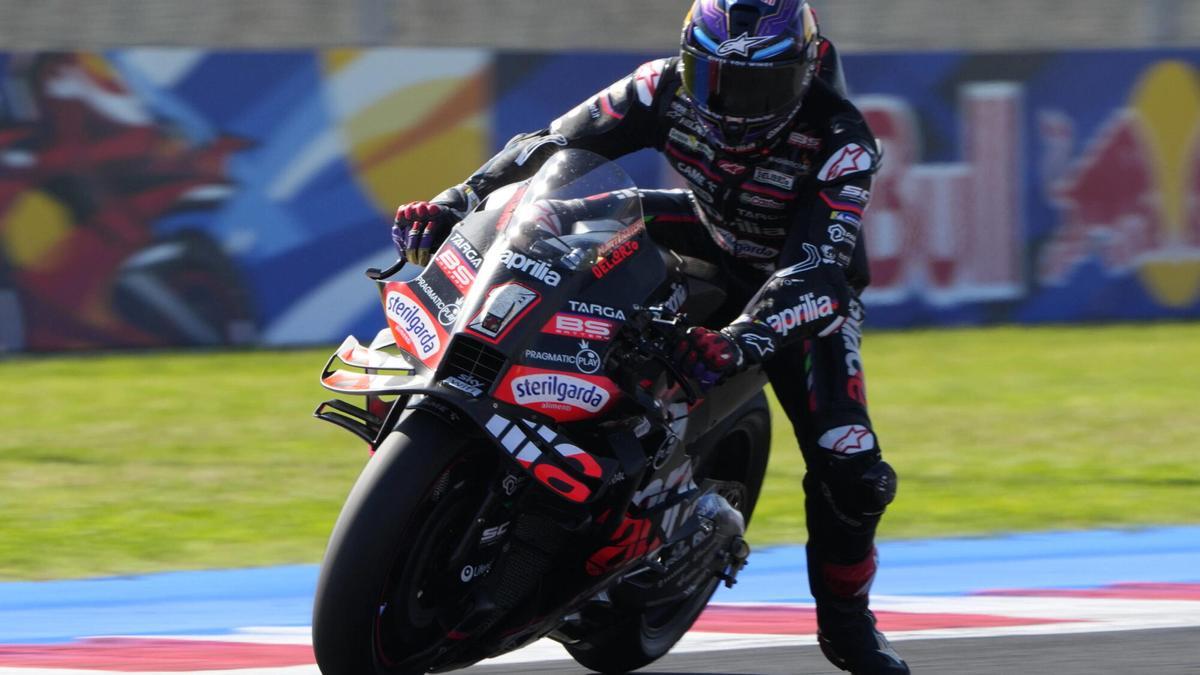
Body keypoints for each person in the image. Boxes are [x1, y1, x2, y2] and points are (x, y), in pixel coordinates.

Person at [391, 1, 908, 672]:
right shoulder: (656, 86)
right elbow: (551, 146)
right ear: (688, 65)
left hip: (795, 284)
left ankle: (847, 624)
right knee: (555, 223)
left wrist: (741, 337)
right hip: (704, 230)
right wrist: (457, 201)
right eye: (713, 81)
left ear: (807, 72)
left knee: (853, 464)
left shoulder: (842, 140)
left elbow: (818, 271)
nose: (733, 108)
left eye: (760, 86)